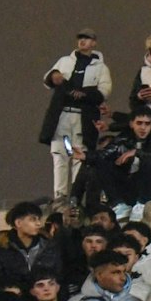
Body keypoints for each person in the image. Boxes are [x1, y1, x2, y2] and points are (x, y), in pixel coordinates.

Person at [43, 27, 112, 201]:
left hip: (83, 116)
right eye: (80, 38)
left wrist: (85, 95)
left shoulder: (100, 67)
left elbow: (104, 90)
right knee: (61, 153)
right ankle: (60, 195)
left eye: (87, 38)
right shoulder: (65, 61)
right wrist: (54, 76)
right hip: (63, 115)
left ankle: (76, 195)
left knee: (79, 155)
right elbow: (48, 79)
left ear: (94, 43)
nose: (82, 41)